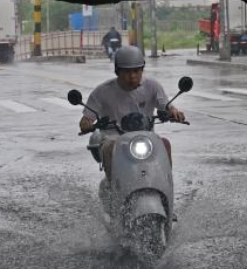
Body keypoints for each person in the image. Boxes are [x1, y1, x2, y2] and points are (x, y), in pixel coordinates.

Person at [79, 46, 185, 178]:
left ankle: (166, 182)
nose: (132, 76)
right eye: (127, 72)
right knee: (110, 148)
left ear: (142, 70)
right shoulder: (102, 91)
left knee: (165, 144)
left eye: (136, 71)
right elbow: (86, 119)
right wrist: (87, 124)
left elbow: (167, 107)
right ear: (118, 71)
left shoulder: (152, 86)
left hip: (145, 137)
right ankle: (114, 187)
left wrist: (174, 113)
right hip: (113, 138)